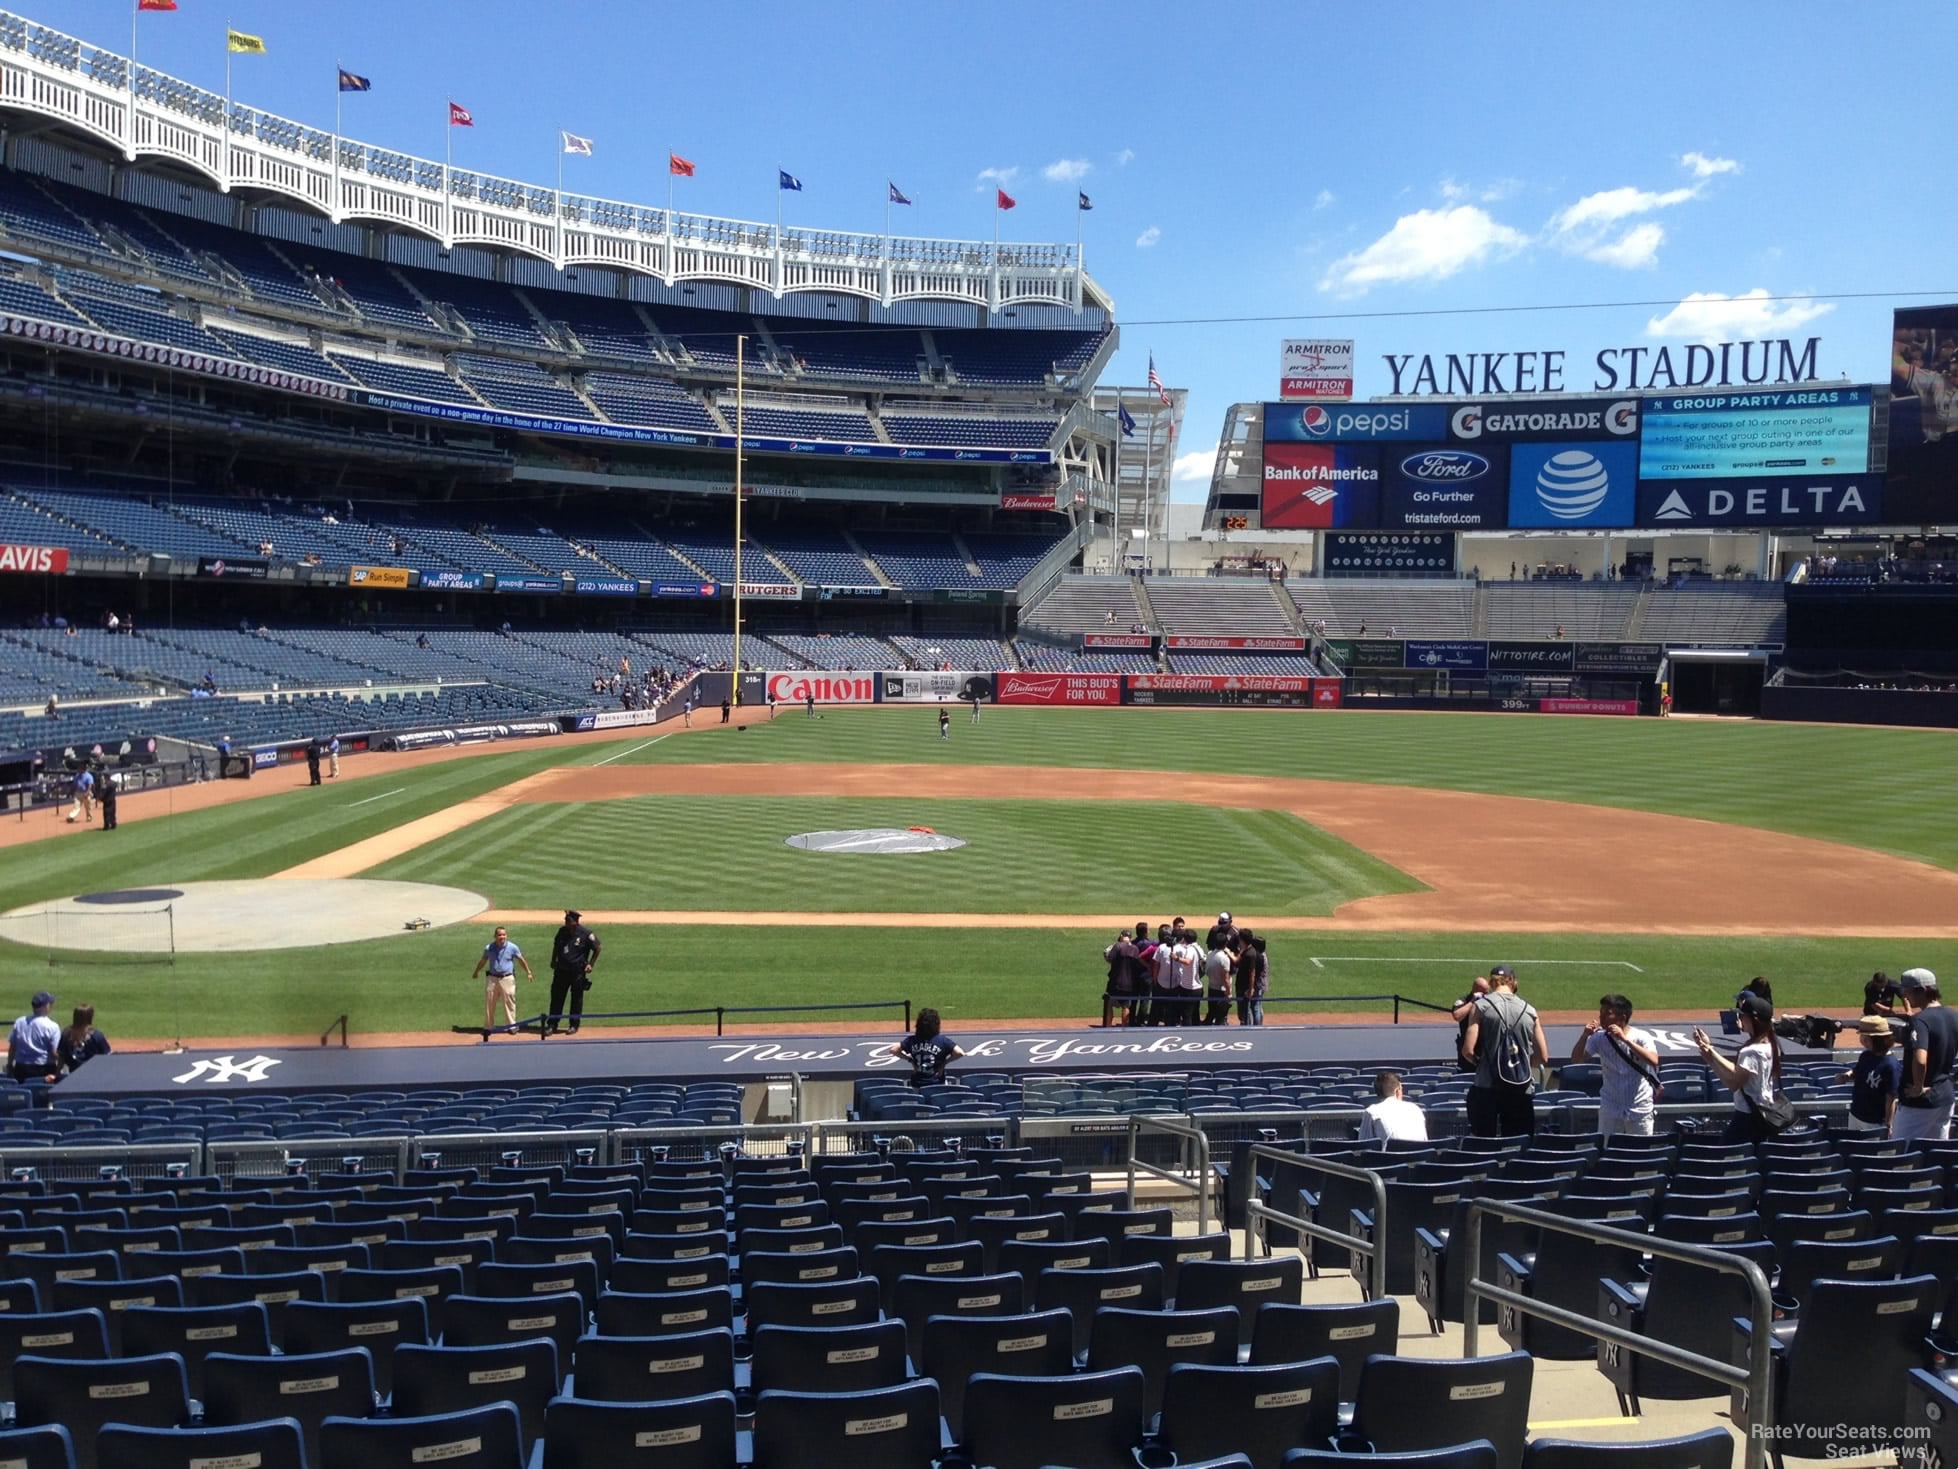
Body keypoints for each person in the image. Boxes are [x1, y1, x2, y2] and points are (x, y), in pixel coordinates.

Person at [1460, 965, 1548, 1137]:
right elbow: (1543, 1057)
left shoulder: (1481, 1006)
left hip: (1487, 1086)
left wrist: (1485, 1064)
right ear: (1513, 982)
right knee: (1518, 1144)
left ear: (1492, 982)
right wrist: (1519, 1063)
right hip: (1520, 1088)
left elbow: (1468, 1051)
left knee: (1484, 1144)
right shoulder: (1530, 1010)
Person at [1695, 991, 1783, 1142]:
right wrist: (1711, 1053)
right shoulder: (1771, 1045)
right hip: (1765, 1114)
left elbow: (1733, 1083)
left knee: (1727, 1153)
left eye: (1743, 1016)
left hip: (1747, 1118)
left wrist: (1711, 1055)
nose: (1740, 1019)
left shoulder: (1751, 1051)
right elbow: (1738, 1071)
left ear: (1754, 1020)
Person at [1573, 993, 1659, 1137]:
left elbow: (1653, 1060)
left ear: (1622, 1017)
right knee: (1608, 1147)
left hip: (1639, 1106)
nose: (1601, 1017)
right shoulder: (1598, 1038)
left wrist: (1625, 1040)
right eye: (1601, 1013)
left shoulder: (1641, 1036)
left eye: (1607, 1013)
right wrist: (1584, 1036)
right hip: (1611, 1107)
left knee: (1641, 1148)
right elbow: (1576, 1060)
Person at [1892, 968, 1958, 1141]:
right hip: (1945, 1097)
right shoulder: (1954, 1016)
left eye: (1908, 991)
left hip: (1919, 1104)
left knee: (1903, 1152)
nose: (1905, 996)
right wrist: (1953, 1078)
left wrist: (1918, 1087)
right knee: (1936, 1152)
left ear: (1922, 991)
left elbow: (1920, 1059)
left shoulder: (1920, 1020)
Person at [545, 909, 601, 1037]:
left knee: (576, 999)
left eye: (568, 920)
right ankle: (552, 1024)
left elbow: (598, 948)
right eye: (565, 920)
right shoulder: (562, 931)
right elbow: (556, 946)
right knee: (557, 998)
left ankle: (574, 1025)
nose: (566, 922)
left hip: (577, 972)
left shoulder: (585, 933)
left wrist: (590, 964)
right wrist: (553, 960)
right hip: (561, 970)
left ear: (575, 922)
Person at [1842, 1015, 1902, 1133]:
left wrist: (1888, 1123)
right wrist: (1847, 1075)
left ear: (1878, 1040)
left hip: (1874, 1122)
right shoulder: (1866, 1055)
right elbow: (1858, 1071)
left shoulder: (1891, 1065)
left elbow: (1891, 1097)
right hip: (1855, 1114)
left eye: (1866, 1037)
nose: (1862, 1040)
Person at [471, 926, 533, 1040]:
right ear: (495, 936)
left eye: (504, 934)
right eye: (499, 935)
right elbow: (483, 960)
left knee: (509, 1002)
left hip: (507, 978)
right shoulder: (489, 948)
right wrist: (476, 971)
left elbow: (521, 959)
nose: (502, 937)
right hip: (492, 979)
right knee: (490, 1003)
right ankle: (488, 1027)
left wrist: (528, 972)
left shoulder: (513, 947)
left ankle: (511, 1026)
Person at [889, 1007, 963, 1088]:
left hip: (917, 1085)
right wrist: (944, 1063)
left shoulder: (912, 1040)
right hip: (937, 1084)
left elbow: (893, 1050)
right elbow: (960, 1053)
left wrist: (910, 1060)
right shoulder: (942, 1041)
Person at [1359, 1071, 1427, 1143]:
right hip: (1419, 1150)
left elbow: (1364, 1144)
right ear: (1398, 1090)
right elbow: (1425, 1142)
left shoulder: (1371, 1111)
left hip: (1389, 1150)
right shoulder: (1416, 1109)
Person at [6, 991, 59, 1084]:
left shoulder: (19, 1022)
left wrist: (9, 1065)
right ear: (45, 1006)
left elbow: (12, 1047)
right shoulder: (52, 1026)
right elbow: (54, 1052)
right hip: (44, 1070)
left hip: (21, 1069)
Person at [1450, 974, 1494, 1073]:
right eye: (1484, 992)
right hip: (1468, 1046)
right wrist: (1473, 1002)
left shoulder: (1489, 1001)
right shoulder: (1464, 1000)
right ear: (1476, 991)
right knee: (1466, 1073)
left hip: (1485, 1046)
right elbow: (1457, 1016)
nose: (1486, 995)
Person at [56, 1004, 109, 1074]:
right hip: (93, 1074)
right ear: (90, 1017)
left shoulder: (66, 1034)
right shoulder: (96, 1036)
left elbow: (61, 1057)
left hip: (73, 1074)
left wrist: (57, 1073)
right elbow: (106, 1056)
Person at [1235, 929, 1267, 1027]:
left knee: (1252, 1008)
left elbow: (1252, 973)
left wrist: (1251, 988)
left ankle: (1250, 1026)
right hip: (1257, 984)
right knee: (1256, 1007)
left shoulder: (1254, 955)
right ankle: (1257, 1026)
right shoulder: (1259, 955)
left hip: (1254, 985)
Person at [1203, 939, 1234, 1026]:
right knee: (1220, 1018)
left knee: (1211, 1012)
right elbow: (1226, 978)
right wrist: (1229, 993)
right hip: (1221, 991)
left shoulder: (1210, 954)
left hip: (1211, 988)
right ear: (1225, 944)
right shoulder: (1224, 958)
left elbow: (1207, 971)